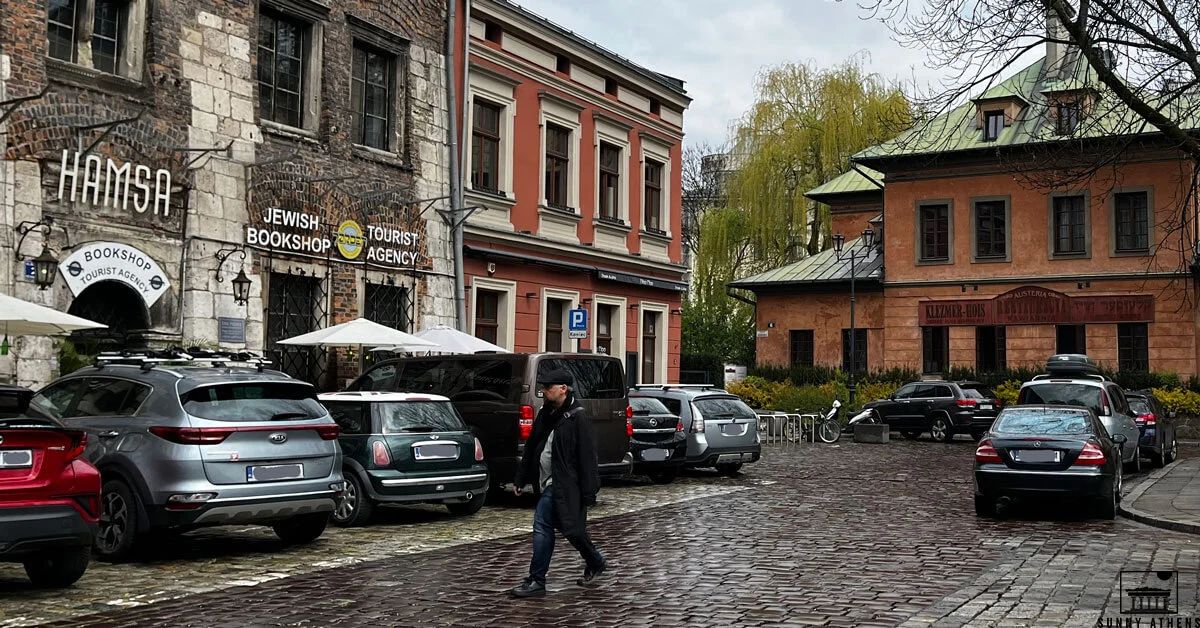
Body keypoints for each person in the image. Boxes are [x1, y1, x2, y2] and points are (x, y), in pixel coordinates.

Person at [509, 368, 607, 598]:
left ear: (563, 389)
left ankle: (536, 580)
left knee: (542, 524)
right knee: (571, 530)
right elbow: (533, 445)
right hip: (546, 481)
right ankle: (596, 560)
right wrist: (521, 477)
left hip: (564, 484)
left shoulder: (577, 416)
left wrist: (589, 491)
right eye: (542, 387)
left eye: (548, 387)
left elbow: (587, 456)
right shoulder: (546, 412)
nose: (543, 391)